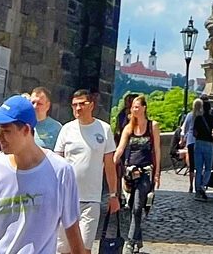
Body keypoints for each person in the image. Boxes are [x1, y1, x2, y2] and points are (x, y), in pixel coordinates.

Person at [0, 95, 86, 254]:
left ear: (26, 130)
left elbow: (72, 228)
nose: (0, 138)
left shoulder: (61, 171)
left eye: (7, 131)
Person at [54, 90, 118, 254]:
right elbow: (57, 163)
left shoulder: (104, 129)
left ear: (91, 105)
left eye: (82, 104)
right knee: (63, 249)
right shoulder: (67, 129)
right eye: (74, 104)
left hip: (91, 199)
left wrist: (113, 195)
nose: (78, 108)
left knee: (84, 248)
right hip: (66, 198)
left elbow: (109, 165)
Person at [113, 95, 160, 253]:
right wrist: (111, 161)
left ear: (144, 108)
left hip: (146, 171)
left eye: (137, 107)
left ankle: (130, 242)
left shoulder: (153, 126)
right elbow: (120, 148)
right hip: (130, 172)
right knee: (132, 204)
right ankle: (138, 240)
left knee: (138, 206)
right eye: (133, 107)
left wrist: (157, 174)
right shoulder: (129, 128)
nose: (134, 109)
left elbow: (157, 151)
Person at [189, 98, 213, 201]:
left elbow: (194, 133)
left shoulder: (198, 118)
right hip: (209, 143)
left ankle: (197, 191)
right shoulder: (212, 118)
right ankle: (203, 185)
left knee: (198, 169)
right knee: (208, 168)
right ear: (210, 109)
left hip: (198, 143)